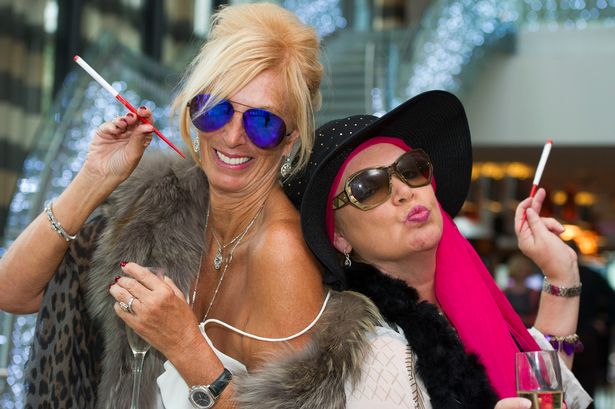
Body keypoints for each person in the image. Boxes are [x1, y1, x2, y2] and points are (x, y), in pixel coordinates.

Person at [0, 3, 326, 408]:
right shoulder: (162, 205)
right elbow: (13, 292)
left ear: (290, 140)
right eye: (216, 109)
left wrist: (185, 344)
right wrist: (95, 179)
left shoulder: (282, 252)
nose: (232, 136)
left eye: (263, 123)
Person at [281, 90, 592, 408]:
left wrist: (561, 273)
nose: (403, 190)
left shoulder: (470, 300)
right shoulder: (367, 351)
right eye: (368, 187)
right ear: (339, 237)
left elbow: (542, 389)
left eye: (411, 168)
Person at [504, 253, 541, 327]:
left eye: (523, 269)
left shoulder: (534, 294)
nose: (521, 272)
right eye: (519, 269)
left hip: (528, 331)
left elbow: (538, 316)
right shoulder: (504, 293)